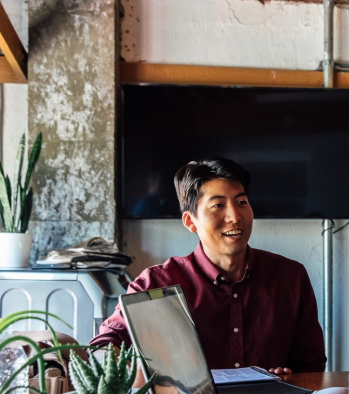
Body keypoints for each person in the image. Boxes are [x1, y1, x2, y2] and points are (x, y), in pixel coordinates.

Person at [90, 157, 326, 374]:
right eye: (218, 205)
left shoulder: (290, 277)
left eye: (241, 201)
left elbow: (311, 366)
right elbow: (102, 347)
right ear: (190, 221)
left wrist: (289, 378)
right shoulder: (155, 284)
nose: (235, 216)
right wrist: (134, 374)